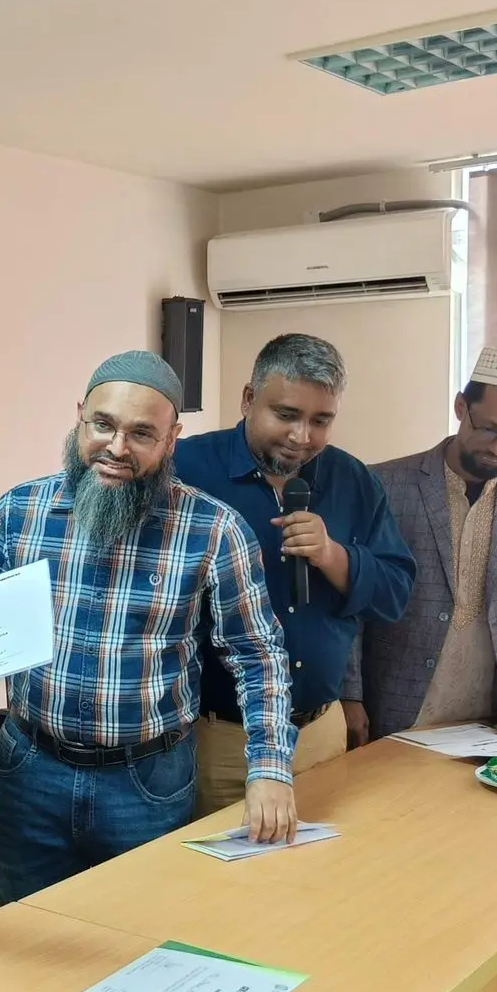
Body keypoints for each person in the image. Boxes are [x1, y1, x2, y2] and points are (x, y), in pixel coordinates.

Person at [0, 351, 295, 905]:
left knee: (141, 933)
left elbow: (258, 655)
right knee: (26, 932)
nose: (117, 448)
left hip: (147, 783)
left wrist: (270, 770)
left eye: (142, 433)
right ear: (80, 417)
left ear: (172, 439)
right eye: (103, 424)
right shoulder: (19, 513)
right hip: (30, 775)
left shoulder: (214, 530)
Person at [174, 333, 413, 813]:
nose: (302, 437)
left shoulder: (354, 480)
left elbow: (395, 596)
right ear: (248, 399)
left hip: (321, 734)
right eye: (286, 414)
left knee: (331, 863)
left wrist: (334, 556)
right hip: (220, 739)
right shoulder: (185, 470)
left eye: (320, 420)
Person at [345, 346, 497, 742]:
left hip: (493, 721)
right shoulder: (385, 485)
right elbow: (355, 593)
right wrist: (349, 695)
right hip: (396, 711)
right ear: (461, 407)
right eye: (489, 430)